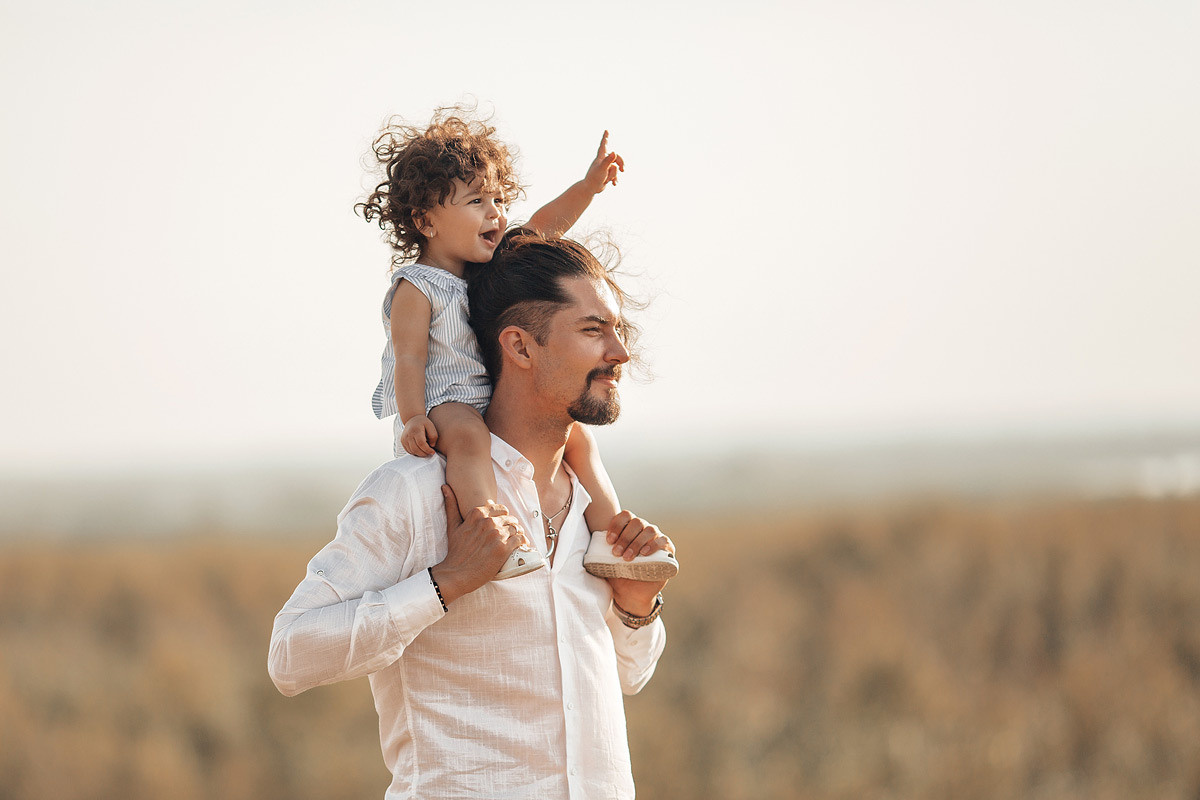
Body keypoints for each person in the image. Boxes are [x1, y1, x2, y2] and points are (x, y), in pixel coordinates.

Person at [268, 232, 677, 799]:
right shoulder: (413, 493)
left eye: (617, 329)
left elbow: (631, 676)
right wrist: (446, 583)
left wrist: (635, 608)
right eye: (593, 330)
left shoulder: (591, 502)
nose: (619, 352)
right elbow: (289, 654)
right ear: (520, 346)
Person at [357, 107, 662, 581]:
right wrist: (413, 416)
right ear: (427, 221)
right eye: (476, 201)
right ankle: (492, 532)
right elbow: (409, 358)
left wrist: (587, 187)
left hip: (481, 396)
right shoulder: (416, 287)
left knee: (578, 437)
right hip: (443, 400)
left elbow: (542, 226)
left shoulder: (485, 272)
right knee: (470, 437)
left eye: (498, 199)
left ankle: (610, 541)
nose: (495, 213)